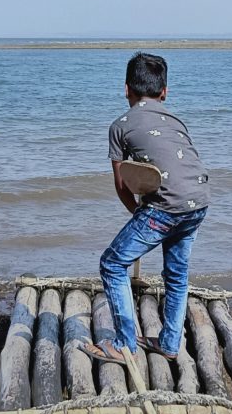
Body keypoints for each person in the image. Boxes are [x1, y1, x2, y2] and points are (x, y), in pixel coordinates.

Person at [81, 52, 211, 365]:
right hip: (198, 201)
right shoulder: (175, 120)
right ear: (164, 92)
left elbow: (122, 184)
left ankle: (125, 345)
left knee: (112, 263)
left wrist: (142, 218)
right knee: (176, 275)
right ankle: (168, 344)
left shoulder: (120, 126)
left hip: (164, 207)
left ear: (126, 89)